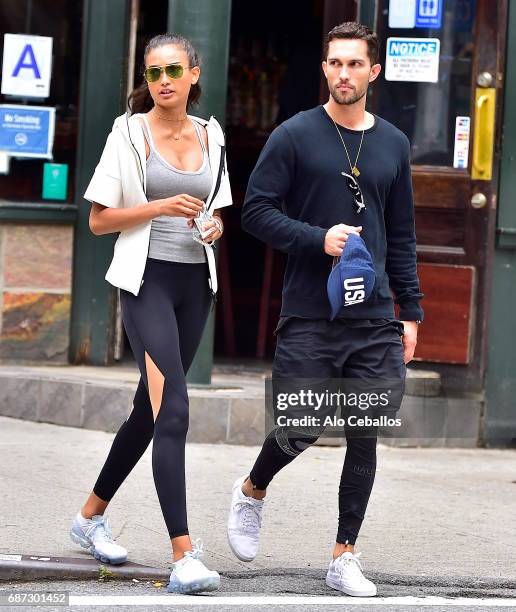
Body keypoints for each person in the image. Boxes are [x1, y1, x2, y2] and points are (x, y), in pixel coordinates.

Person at [227, 22, 423, 597]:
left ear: (372, 72)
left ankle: (344, 555)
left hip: (376, 316)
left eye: (354, 65)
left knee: (366, 430)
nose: (343, 74)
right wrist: (319, 239)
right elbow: (255, 212)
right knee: (304, 424)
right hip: (311, 311)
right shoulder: (293, 135)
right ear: (325, 69)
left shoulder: (393, 144)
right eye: (335, 64)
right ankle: (253, 489)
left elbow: (403, 235)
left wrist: (410, 312)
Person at [69, 33, 232, 594]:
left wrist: (212, 225)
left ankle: (88, 518)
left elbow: (218, 214)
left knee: (149, 408)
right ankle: (184, 555)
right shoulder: (128, 132)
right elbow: (98, 220)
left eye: (173, 70)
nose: (163, 81)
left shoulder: (213, 136)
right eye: (154, 71)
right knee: (175, 409)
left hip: (195, 285)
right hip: (146, 283)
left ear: (193, 74)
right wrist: (161, 206)